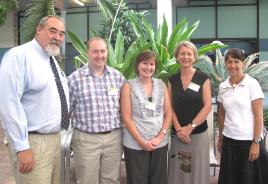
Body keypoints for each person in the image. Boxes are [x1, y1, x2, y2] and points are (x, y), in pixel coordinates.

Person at [0, 15, 68, 184]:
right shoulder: (19, 56)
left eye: (61, 34)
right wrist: (22, 147)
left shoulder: (50, 59)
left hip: (54, 139)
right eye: (53, 31)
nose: (58, 37)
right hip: (33, 141)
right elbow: (9, 104)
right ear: (39, 29)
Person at [68, 37, 125, 184]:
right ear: (87, 53)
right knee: (87, 180)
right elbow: (66, 111)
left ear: (107, 52)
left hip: (113, 138)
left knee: (111, 180)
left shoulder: (118, 78)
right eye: (95, 51)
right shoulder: (74, 79)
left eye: (103, 51)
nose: (100, 55)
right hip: (85, 139)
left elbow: (125, 109)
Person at [217, 48, 268, 184]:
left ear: (243, 63)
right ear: (225, 64)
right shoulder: (223, 86)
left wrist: (256, 142)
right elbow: (221, 114)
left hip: (249, 142)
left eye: (236, 61)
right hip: (229, 141)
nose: (232, 65)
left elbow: (258, 116)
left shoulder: (252, 84)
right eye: (229, 62)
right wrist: (221, 138)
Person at [120, 50, 172, 184]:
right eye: (144, 63)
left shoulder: (162, 85)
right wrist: (141, 141)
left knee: (158, 179)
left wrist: (160, 136)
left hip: (159, 143)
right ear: (137, 65)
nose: (148, 67)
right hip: (135, 143)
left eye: (152, 64)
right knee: (137, 179)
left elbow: (168, 113)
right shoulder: (128, 86)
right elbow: (126, 117)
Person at [168, 41, 212, 184]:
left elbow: (208, 106)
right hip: (179, 136)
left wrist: (190, 127)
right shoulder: (172, 80)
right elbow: (169, 107)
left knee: (196, 171)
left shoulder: (202, 78)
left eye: (189, 54)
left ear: (194, 57)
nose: (186, 57)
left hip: (197, 135)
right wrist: (180, 129)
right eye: (182, 54)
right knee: (180, 169)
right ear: (177, 57)